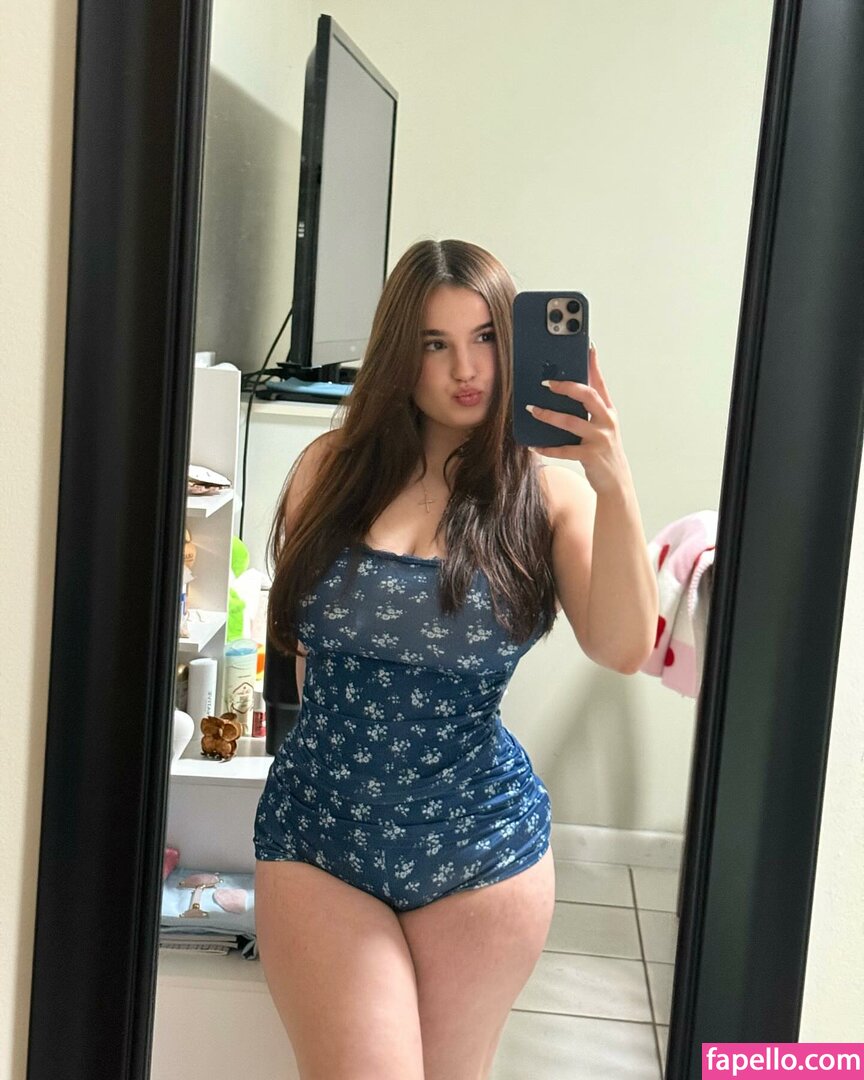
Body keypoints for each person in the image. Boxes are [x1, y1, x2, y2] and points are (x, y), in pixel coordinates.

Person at [253, 239, 658, 1080]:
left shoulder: (547, 493)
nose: (465, 369)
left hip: (479, 850)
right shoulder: (328, 470)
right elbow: (299, 653)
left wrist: (614, 483)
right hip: (320, 836)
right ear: (399, 354)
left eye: (484, 339)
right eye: (435, 343)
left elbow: (623, 647)